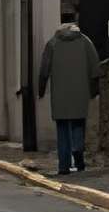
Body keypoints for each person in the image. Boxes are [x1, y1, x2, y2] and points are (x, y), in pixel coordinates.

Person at [36, 10, 100, 175]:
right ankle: (77, 151)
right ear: (75, 23)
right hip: (80, 92)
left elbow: (44, 70)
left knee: (62, 129)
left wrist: (41, 90)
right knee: (78, 124)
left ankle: (63, 166)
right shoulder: (86, 42)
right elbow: (95, 68)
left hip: (60, 95)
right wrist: (93, 91)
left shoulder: (53, 43)